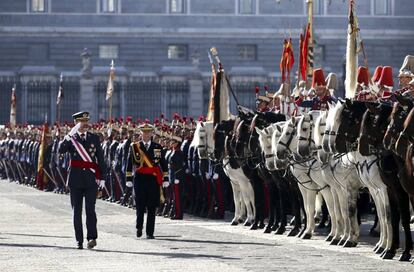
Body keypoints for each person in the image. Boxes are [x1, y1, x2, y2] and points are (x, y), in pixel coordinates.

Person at [59, 111, 107, 249]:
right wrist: (68, 136)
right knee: (77, 211)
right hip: (75, 180)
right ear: (76, 123)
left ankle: (92, 237)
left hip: (91, 180)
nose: (86, 124)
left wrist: (102, 177)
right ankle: (79, 240)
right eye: (82, 122)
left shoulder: (94, 138)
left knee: (90, 210)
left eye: (86, 121)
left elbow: (101, 159)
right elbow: (60, 150)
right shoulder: (71, 139)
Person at [126, 122, 164, 239]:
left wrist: (166, 177)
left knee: (152, 206)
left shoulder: (157, 147)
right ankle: (139, 227)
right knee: (140, 205)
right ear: (141, 134)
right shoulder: (134, 146)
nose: (146, 135)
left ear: (152, 133)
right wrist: (128, 178)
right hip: (140, 179)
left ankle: (150, 232)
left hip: (152, 179)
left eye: (148, 132)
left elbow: (163, 163)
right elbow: (129, 163)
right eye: (144, 132)